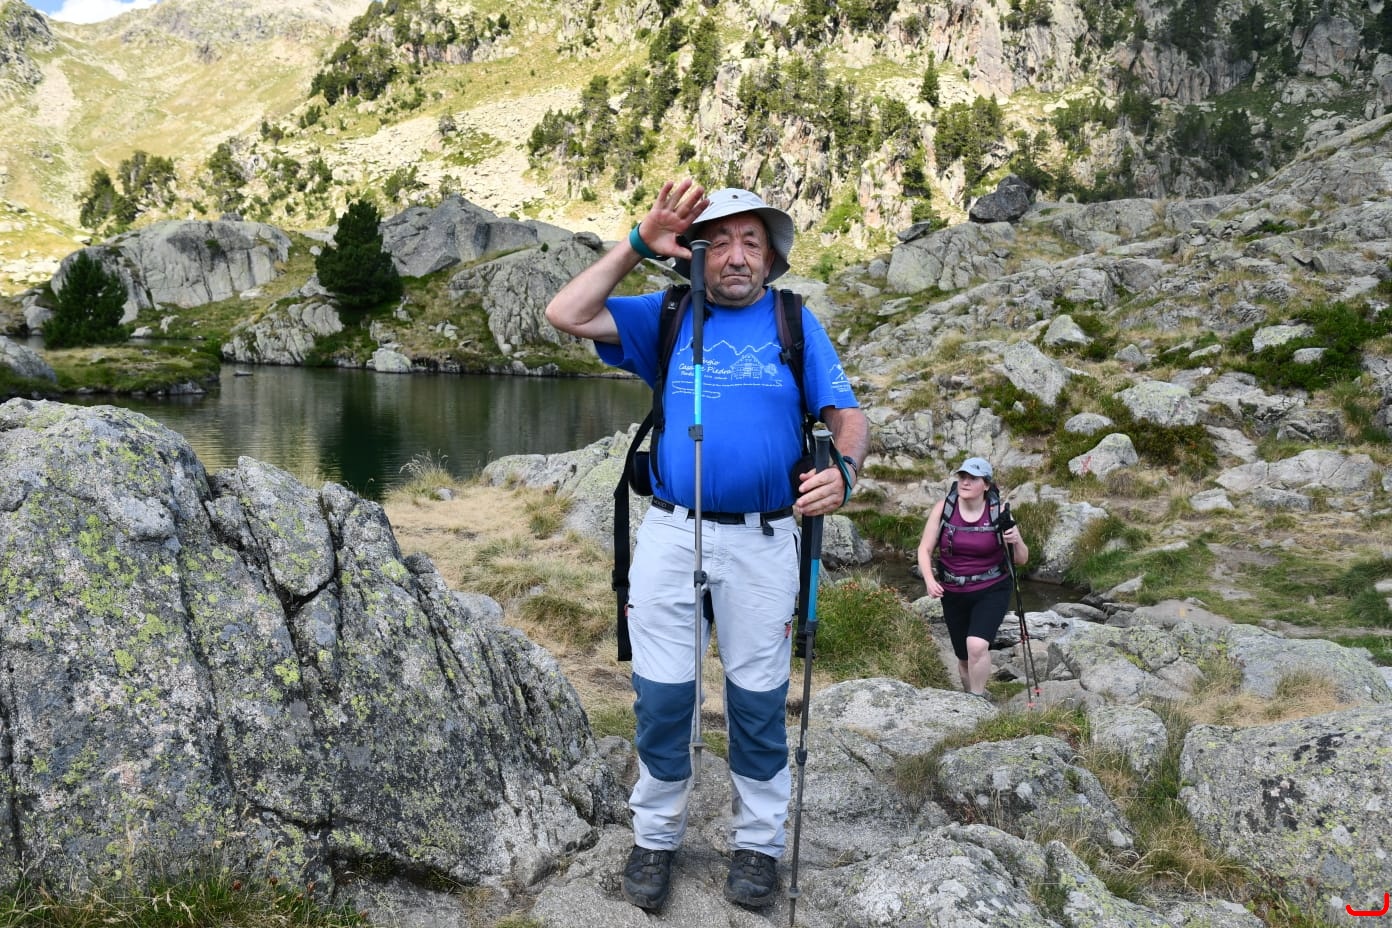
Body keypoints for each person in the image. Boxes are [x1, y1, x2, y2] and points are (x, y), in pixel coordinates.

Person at [545, 180, 870, 911]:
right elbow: (567, 312)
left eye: (751, 241)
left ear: (771, 258)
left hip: (764, 539)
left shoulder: (793, 321)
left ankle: (757, 845)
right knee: (664, 699)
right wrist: (638, 242)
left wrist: (844, 472)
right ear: (694, 256)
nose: (735, 256)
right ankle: (655, 837)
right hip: (671, 531)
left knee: (757, 702)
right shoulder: (665, 315)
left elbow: (847, 416)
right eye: (717, 242)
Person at [915, 457, 1029, 701]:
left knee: (977, 646)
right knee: (964, 658)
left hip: (992, 588)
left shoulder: (999, 512)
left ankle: (977, 700)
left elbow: (1021, 559)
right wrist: (929, 580)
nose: (965, 482)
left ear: (986, 485)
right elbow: (924, 549)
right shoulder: (944, 508)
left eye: (972, 478)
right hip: (953, 591)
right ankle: (970, 697)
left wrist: (1016, 540)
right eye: (962, 477)